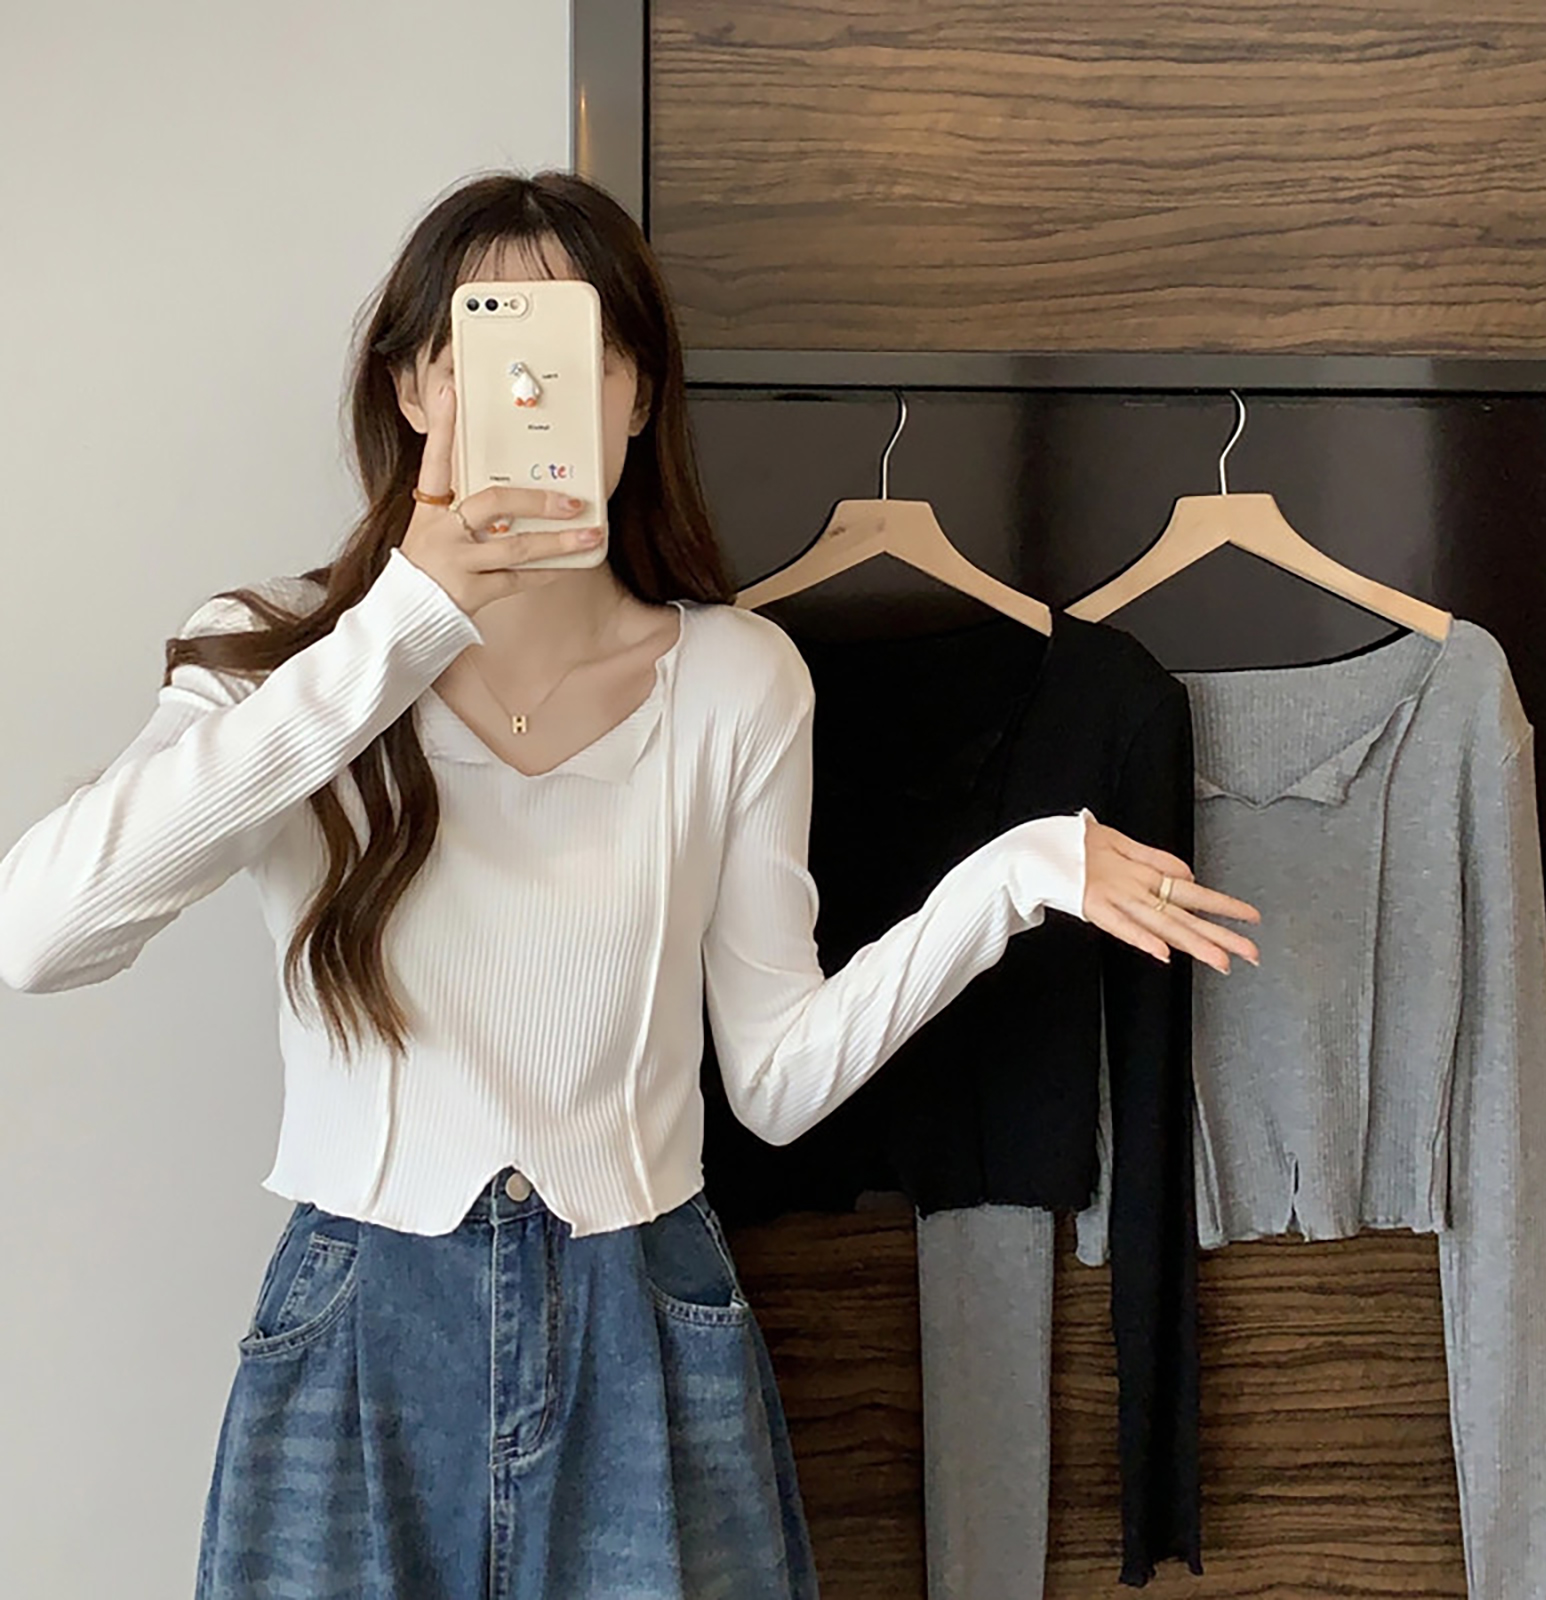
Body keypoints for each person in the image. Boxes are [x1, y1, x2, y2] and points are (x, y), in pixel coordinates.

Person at [0, 171, 1260, 1600]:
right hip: (357, 1325)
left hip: (644, 1313)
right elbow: (39, 936)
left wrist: (1010, 880)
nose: (533, 386)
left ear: (639, 395)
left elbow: (775, 1080)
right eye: (488, 342)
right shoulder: (278, 655)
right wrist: (399, 630)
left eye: (579, 348)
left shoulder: (736, 679)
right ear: (415, 387)